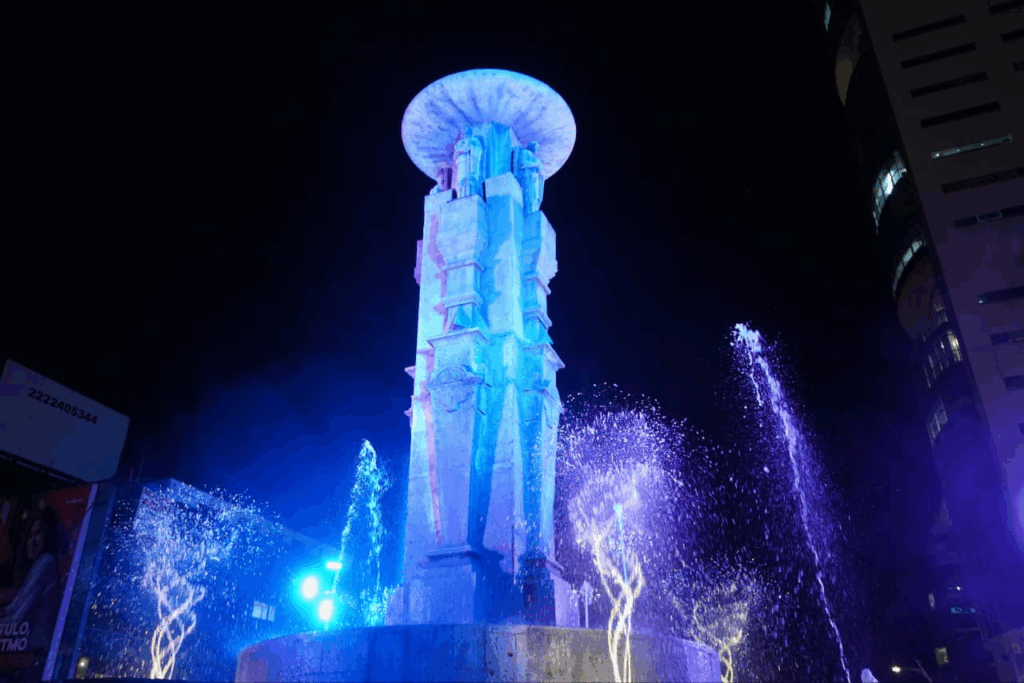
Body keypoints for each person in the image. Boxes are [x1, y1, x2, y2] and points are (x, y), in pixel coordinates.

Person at [0, 506, 62, 683]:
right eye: (30, 535)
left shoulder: (46, 563)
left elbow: (17, 618)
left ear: (47, 536)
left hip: (31, 657)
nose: (32, 541)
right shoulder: (39, 565)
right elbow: (13, 609)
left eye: (38, 533)